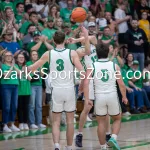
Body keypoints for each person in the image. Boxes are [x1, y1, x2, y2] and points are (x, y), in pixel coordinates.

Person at [27, 27, 87, 150]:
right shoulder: (72, 53)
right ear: (65, 40)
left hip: (56, 91)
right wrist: (81, 85)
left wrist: (25, 70)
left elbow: (33, 67)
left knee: (55, 121)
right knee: (70, 121)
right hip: (69, 90)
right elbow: (82, 72)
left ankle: (56, 146)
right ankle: (70, 147)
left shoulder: (48, 53)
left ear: (53, 41)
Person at [84, 43, 128, 150]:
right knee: (117, 119)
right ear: (108, 52)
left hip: (99, 97)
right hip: (112, 95)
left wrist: (87, 99)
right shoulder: (114, 65)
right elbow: (121, 84)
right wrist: (124, 97)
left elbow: (86, 83)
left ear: (97, 54)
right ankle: (113, 137)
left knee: (101, 123)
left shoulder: (92, 66)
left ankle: (103, 147)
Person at [1, 51, 20, 133]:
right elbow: (6, 76)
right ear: (4, 57)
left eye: (10, 55)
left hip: (15, 86)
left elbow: (20, 73)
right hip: (6, 86)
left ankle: (12, 124)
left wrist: (13, 66)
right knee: (7, 106)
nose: (9, 57)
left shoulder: (15, 65)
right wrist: (12, 67)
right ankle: (5, 124)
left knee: (14, 106)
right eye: (7, 55)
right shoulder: (2, 66)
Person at [26, 50, 46, 129]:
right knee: (32, 105)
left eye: (36, 55)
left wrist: (40, 67)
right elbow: (29, 75)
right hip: (32, 85)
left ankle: (39, 122)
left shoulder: (40, 63)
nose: (35, 56)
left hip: (39, 85)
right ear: (31, 56)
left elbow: (42, 74)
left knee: (39, 105)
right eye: (33, 55)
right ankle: (32, 123)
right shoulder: (28, 64)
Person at [16, 52, 31, 130]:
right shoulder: (15, 66)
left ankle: (25, 123)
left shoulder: (27, 67)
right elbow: (16, 76)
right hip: (18, 91)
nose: (21, 59)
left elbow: (30, 78)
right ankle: (21, 123)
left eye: (22, 57)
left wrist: (25, 71)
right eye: (19, 57)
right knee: (20, 107)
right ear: (17, 59)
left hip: (27, 91)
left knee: (26, 108)